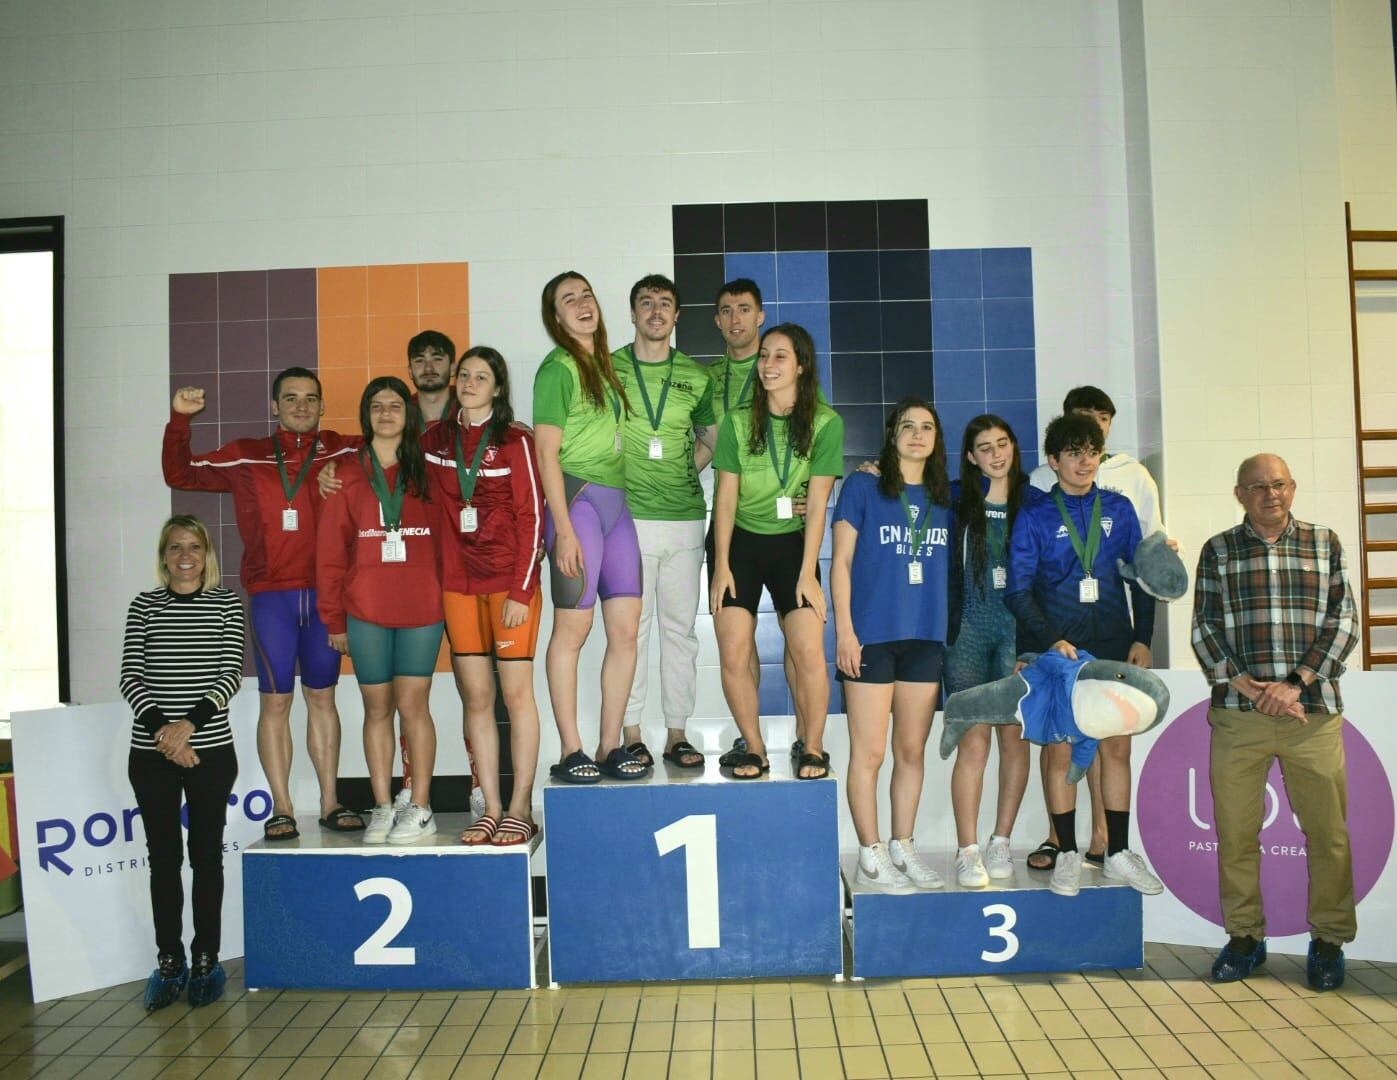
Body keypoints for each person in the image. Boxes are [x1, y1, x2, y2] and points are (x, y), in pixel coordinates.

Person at [164, 369, 361, 842]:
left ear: (321, 405)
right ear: (275, 406)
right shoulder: (246, 455)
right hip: (272, 596)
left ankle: (330, 800)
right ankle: (282, 807)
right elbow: (180, 472)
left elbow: (406, 444)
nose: (300, 406)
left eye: (310, 398)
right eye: (290, 398)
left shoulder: (343, 450)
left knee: (322, 699)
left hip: (326, 596)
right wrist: (180, 421)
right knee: (276, 701)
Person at [1192, 453, 1358, 990]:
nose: (1271, 494)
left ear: (1294, 487)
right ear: (1239, 494)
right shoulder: (1218, 550)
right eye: (1258, 487)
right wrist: (1249, 686)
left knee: (1328, 834)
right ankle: (1245, 938)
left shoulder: (1325, 542)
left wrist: (1294, 685)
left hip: (1312, 714)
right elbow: (1205, 630)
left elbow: (1344, 623)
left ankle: (1329, 941)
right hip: (1239, 717)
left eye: (1280, 484)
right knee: (1236, 834)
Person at [1005, 412, 1160, 898]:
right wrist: (1049, 639)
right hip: (1060, 651)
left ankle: (1117, 852)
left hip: (1115, 645)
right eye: (1073, 453)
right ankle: (1068, 852)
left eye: (1091, 452)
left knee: (1117, 748)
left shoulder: (1120, 508)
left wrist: (1143, 637)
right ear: (1053, 461)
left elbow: (1144, 576)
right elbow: (1018, 590)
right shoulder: (1034, 515)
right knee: (1061, 749)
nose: (1084, 461)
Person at [120, 515, 245, 1010]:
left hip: (210, 751)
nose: (185, 555)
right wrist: (163, 735)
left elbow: (230, 672)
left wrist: (187, 727)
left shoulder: (226, 605)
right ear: (164, 555)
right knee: (164, 861)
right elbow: (131, 676)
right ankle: (168, 962)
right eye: (175, 548)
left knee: (206, 858)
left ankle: (206, 961)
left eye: (193, 546)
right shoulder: (144, 606)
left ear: (207, 554)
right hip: (151, 755)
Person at [709, 323, 844, 780]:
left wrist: (809, 573)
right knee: (732, 650)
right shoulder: (738, 420)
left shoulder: (826, 422)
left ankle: (814, 747)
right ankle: (754, 747)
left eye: (780, 356)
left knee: (807, 649)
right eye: (764, 355)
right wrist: (722, 564)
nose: (767, 364)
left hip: (793, 545)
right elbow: (725, 498)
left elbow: (820, 502)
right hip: (740, 542)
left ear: (801, 365)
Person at [424, 346, 545, 845]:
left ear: (498, 389)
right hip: (458, 585)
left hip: (509, 588)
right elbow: (386, 463)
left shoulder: (516, 440)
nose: (471, 382)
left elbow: (534, 516)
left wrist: (523, 589)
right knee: (476, 697)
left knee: (516, 696)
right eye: (465, 375)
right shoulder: (433, 440)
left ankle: (521, 807)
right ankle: (491, 806)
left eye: (482, 376)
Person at [317, 377, 444, 844]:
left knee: (414, 707)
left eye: (395, 405)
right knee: (377, 710)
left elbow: (449, 539)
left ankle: (422, 806)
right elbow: (330, 552)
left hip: (423, 607)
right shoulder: (345, 473)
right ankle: (385, 806)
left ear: (408, 416)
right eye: (377, 406)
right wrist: (333, 617)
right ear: (365, 415)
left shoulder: (430, 470)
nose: (386, 413)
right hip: (365, 609)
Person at [832, 398, 951, 890]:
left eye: (927, 427)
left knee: (911, 751)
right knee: (870, 753)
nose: (917, 435)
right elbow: (839, 562)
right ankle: (871, 852)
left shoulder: (948, 496)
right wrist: (844, 631)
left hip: (926, 637)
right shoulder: (862, 485)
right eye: (908, 426)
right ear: (892, 433)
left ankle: (903, 846)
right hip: (871, 637)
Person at [533, 271, 645, 782]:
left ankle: (607, 746)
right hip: (577, 505)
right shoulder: (557, 368)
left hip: (617, 507)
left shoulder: (607, 366)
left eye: (586, 294)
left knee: (625, 632)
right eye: (568, 300)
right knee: (573, 630)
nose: (581, 303)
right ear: (556, 318)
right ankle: (570, 750)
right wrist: (564, 529)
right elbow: (545, 453)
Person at [615, 274, 714, 770]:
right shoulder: (607, 369)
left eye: (665, 304)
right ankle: (632, 733)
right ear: (632, 313)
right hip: (627, 521)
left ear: (677, 316)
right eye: (646, 303)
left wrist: (679, 472)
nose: (656, 311)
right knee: (631, 630)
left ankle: (677, 733)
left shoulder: (698, 377)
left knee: (681, 630)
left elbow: (713, 442)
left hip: (685, 520)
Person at [945, 416, 1037, 887]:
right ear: (971, 457)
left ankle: (1002, 839)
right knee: (974, 740)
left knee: (1014, 740)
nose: (996, 454)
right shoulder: (958, 498)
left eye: (1003, 444)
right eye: (985, 448)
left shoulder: (1035, 502)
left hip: (1017, 634)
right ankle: (968, 849)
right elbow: (907, 487)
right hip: (968, 634)